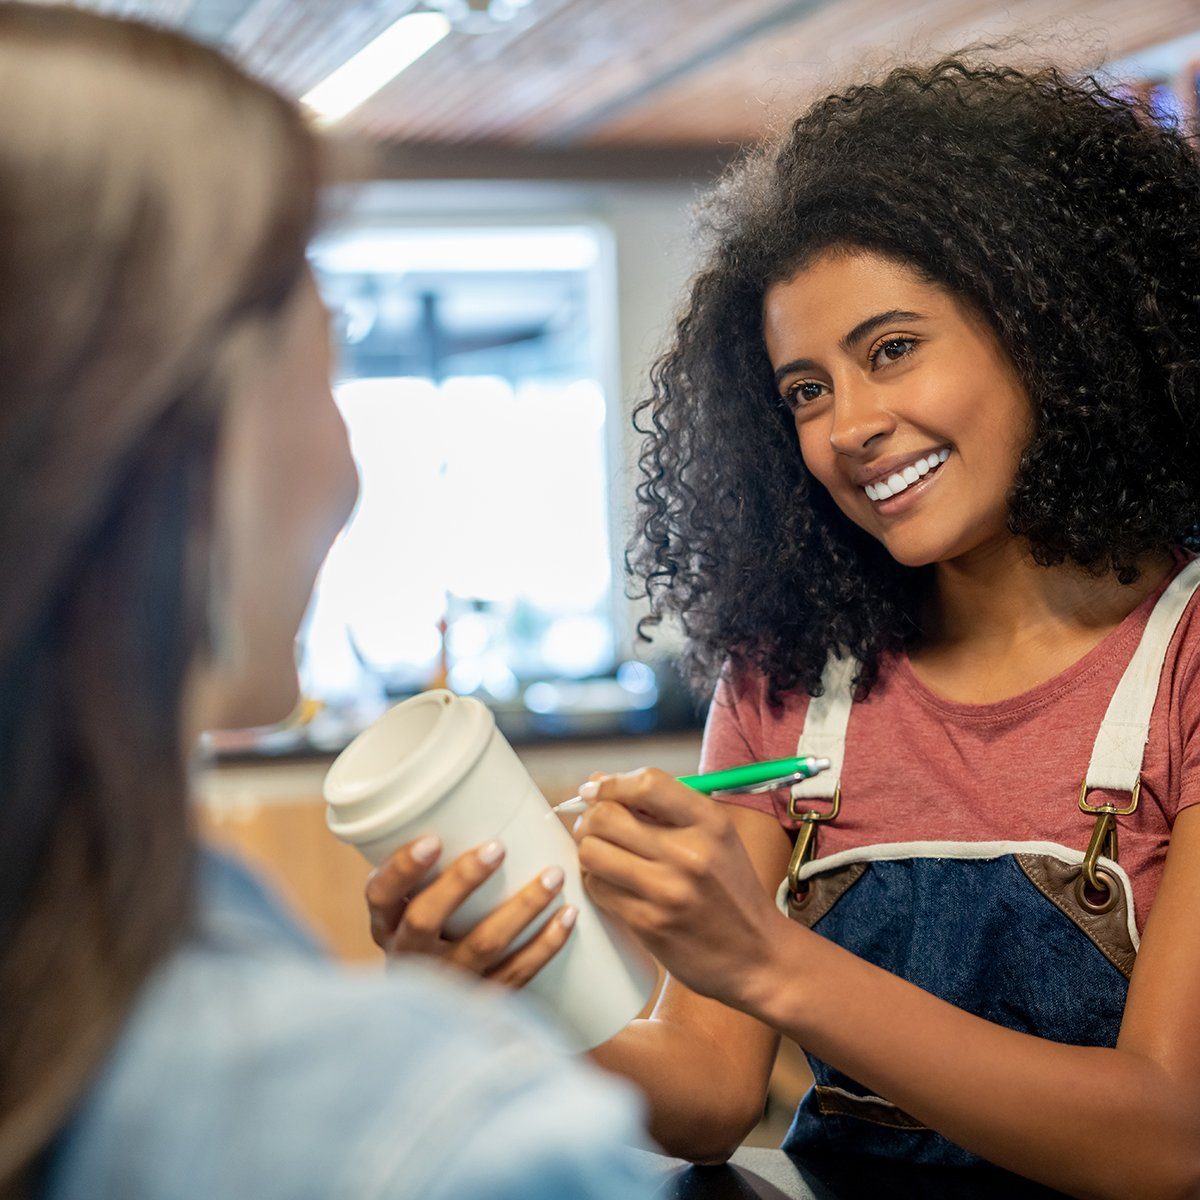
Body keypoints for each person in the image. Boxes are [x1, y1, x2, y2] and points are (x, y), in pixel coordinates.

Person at [368, 58, 1200, 1199]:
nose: (850, 426)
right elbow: (707, 1096)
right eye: (805, 390)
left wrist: (769, 958)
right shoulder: (793, 671)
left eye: (893, 349)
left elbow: (1169, 1139)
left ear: (1050, 328)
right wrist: (499, 998)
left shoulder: (1185, 661)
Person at [0, 6, 654, 1199]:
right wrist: (424, 1075)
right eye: (329, 361)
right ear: (185, 450)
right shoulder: (462, 1144)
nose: (351, 474)